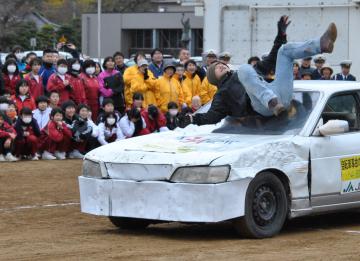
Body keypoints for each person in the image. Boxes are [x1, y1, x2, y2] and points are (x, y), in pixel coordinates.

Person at [186, 21, 337, 126]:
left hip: (279, 94)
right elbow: (212, 116)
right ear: (214, 79)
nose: (220, 66)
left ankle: (321, 44)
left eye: (220, 64)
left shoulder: (248, 72)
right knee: (244, 69)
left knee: (284, 50)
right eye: (216, 69)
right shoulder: (222, 94)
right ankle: (271, 101)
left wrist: (281, 34)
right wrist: (193, 119)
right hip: (262, 107)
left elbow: (272, 58)